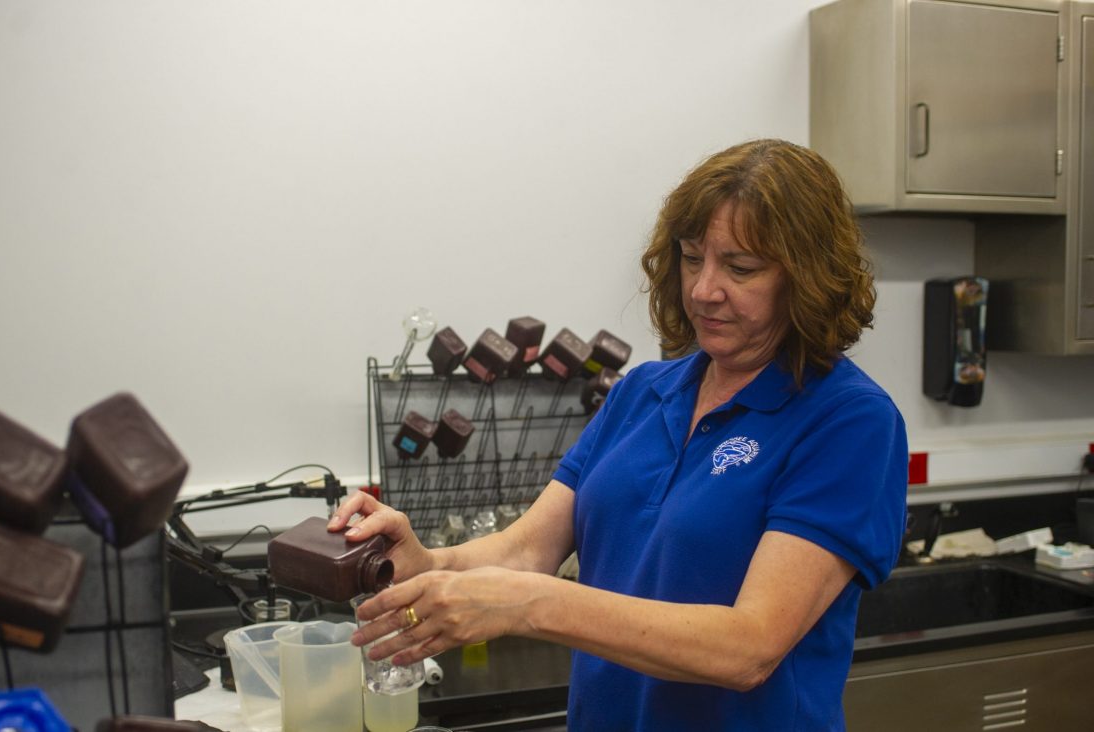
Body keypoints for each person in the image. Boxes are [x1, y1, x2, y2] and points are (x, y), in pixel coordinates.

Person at [331, 138, 908, 731]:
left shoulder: (848, 420)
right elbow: (527, 551)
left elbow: (748, 647)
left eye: (740, 268)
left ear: (807, 277)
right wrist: (426, 563)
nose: (704, 289)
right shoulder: (643, 392)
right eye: (690, 258)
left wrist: (533, 605)